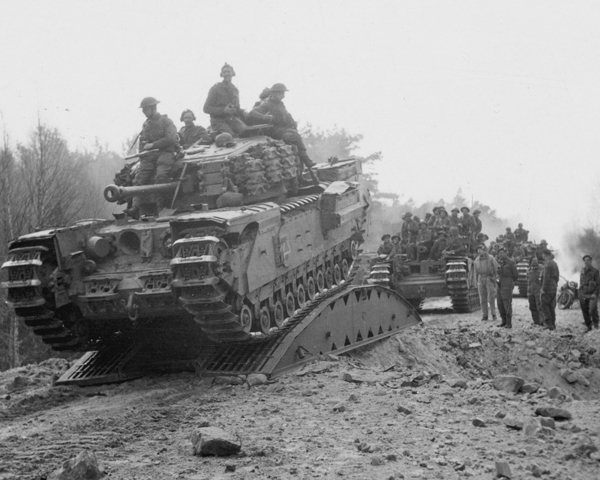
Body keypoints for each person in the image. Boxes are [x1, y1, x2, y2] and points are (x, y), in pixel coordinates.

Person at [124, 97, 178, 218]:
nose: (143, 112)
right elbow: (143, 142)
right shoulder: (146, 124)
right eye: (143, 109)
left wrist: (153, 145)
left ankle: (163, 207)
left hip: (166, 153)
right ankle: (135, 207)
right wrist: (142, 155)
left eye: (145, 109)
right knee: (139, 179)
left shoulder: (166, 121)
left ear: (153, 108)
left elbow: (171, 138)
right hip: (149, 156)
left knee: (160, 176)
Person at [248, 83, 316, 171]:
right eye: (282, 93)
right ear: (275, 94)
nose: (283, 96)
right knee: (294, 135)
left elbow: (285, 115)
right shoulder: (267, 104)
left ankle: (301, 167)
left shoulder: (280, 104)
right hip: (272, 130)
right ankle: (306, 159)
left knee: (294, 138)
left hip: (282, 129)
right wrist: (265, 117)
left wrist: (291, 121)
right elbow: (252, 113)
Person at [203, 63, 247, 136]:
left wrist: (243, 112)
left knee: (247, 132)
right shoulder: (215, 89)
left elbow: (237, 108)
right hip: (218, 121)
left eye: (228, 72)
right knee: (229, 136)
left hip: (232, 120)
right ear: (222, 74)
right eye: (224, 72)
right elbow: (206, 108)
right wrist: (223, 110)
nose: (226, 74)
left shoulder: (235, 90)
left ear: (232, 73)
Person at [473, 245, 499, 322]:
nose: (479, 251)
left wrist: (495, 278)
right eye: (478, 250)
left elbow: (496, 268)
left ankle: (493, 314)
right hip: (480, 278)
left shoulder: (491, 258)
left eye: (480, 250)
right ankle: (485, 315)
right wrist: (476, 281)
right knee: (482, 298)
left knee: (491, 298)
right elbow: (475, 271)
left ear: (485, 251)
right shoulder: (477, 260)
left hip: (489, 278)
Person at [496, 246, 519, 328]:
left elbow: (516, 275)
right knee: (500, 303)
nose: (500, 255)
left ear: (506, 253)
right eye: (499, 253)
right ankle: (503, 321)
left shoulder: (511, 262)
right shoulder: (500, 262)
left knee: (507, 304)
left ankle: (509, 323)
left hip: (507, 284)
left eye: (501, 253)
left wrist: (510, 282)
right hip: (500, 284)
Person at [540, 248, 560, 330]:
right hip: (553, 286)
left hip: (548, 287)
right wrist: (554, 284)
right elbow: (557, 277)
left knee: (544, 305)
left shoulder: (547, 264)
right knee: (551, 306)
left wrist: (543, 289)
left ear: (545, 255)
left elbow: (546, 278)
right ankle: (553, 323)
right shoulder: (555, 263)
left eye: (543, 255)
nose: (542, 256)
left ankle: (548, 324)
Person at [579, 254, 600, 332]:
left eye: (588, 260)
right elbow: (581, 282)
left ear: (591, 261)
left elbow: (598, 284)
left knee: (592, 309)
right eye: (585, 260)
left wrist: (595, 293)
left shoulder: (595, 271)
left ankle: (596, 323)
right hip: (584, 293)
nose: (586, 262)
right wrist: (580, 293)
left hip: (592, 294)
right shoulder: (582, 270)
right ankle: (588, 326)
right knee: (585, 311)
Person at [527, 256, 543, 326]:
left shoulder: (541, 269)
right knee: (532, 306)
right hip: (531, 291)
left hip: (538, 290)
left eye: (536, 262)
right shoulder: (528, 270)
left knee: (539, 306)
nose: (534, 264)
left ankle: (542, 321)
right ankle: (536, 321)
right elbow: (527, 280)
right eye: (533, 262)